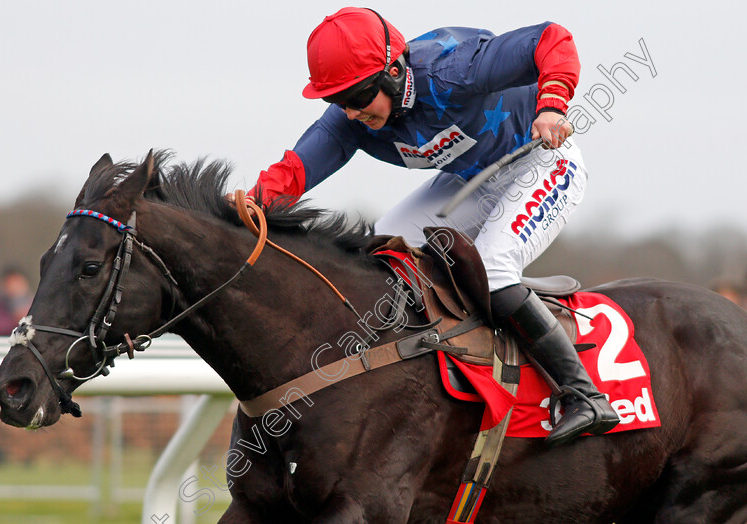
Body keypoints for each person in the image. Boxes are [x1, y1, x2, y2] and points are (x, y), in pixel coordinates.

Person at [228, 7, 618, 445]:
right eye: (337, 101)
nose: (351, 113)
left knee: (494, 269)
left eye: (357, 97)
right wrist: (252, 202)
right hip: (470, 182)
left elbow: (552, 38)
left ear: (394, 72)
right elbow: (298, 168)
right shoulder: (350, 119)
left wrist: (551, 105)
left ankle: (584, 395)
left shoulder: (453, 71)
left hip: (541, 164)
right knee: (384, 249)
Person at [0, 266, 34, 337]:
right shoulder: (0, 308)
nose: (14, 287)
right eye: (10, 283)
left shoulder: (35, 305)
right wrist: (16, 320)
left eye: (17, 282)